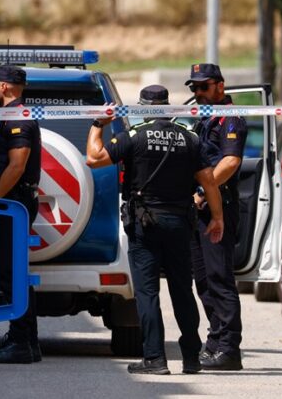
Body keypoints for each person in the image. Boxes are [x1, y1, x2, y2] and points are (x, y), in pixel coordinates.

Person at [86, 85, 225, 375]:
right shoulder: (190, 138)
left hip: (145, 224)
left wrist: (98, 124)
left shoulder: (134, 137)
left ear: (143, 106)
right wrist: (217, 218)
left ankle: (155, 359)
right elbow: (210, 181)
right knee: (182, 292)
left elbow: (94, 158)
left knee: (148, 293)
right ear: (167, 105)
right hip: (179, 223)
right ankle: (190, 358)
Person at [186, 63, 247, 371]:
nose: (197, 93)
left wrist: (201, 191)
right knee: (203, 280)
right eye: (193, 88)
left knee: (220, 279)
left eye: (203, 87)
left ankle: (229, 348)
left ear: (220, 86)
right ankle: (215, 340)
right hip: (199, 208)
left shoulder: (230, 118)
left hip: (217, 206)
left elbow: (231, 161)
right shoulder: (203, 118)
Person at [0, 63, 41, 364]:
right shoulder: (6, 117)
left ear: (4, 87)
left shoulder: (18, 118)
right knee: (14, 271)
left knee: (13, 274)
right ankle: (27, 340)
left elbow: (16, 166)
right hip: (10, 202)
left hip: (13, 203)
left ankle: (21, 342)